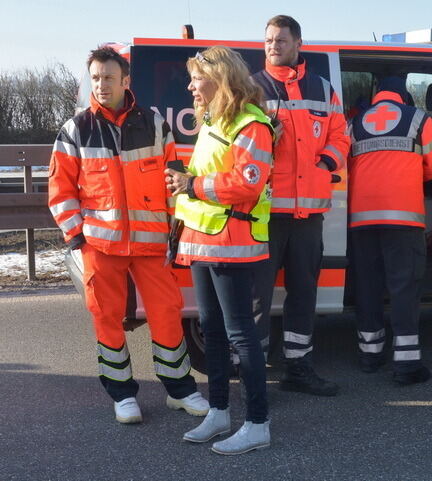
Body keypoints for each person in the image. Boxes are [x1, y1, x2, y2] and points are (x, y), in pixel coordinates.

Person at [48, 46, 208, 425]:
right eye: (96, 78)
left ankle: (180, 390)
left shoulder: (154, 124)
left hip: (151, 245)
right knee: (107, 318)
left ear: (125, 81)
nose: (102, 85)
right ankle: (122, 395)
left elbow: (174, 183)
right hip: (100, 246)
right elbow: (60, 191)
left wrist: (175, 233)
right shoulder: (76, 130)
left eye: (108, 77)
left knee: (168, 315)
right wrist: (78, 239)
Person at [168, 46, 273, 455]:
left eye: (196, 77)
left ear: (221, 79)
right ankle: (219, 411)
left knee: (240, 335)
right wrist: (186, 183)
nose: (191, 86)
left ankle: (258, 423)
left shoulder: (252, 124)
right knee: (210, 330)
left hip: (232, 241)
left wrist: (190, 185)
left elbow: (246, 182)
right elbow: (211, 176)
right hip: (203, 238)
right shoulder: (216, 121)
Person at [250, 14, 350, 397]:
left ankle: (298, 367)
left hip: (309, 215)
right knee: (258, 296)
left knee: (304, 293)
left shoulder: (322, 88)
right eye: (269, 40)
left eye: (281, 40)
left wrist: (325, 161)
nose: (273, 46)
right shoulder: (252, 88)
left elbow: (340, 134)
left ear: (298, 44)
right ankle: (254, 372)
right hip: (267, 214)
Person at [347, 76, 432, 384]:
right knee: (404, 288)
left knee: (368, 285)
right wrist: (411, 174)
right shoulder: (419, 119)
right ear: (404, 96)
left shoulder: (356, 121)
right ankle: (406, 366)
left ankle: (369, 354)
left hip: (362, 219)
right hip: (404, 219)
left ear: (377, 96)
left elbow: (347, 166)